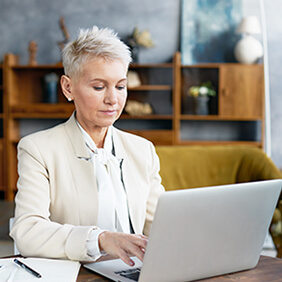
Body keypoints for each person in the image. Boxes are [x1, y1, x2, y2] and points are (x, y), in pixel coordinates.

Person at [10, 26, 164, 266]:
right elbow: (27, 232)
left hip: (136, 271)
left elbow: (162, 226)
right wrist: (100, 239)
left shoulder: (143, 150)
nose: (113, 99)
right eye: (99, 87)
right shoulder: (37, 149)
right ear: (68, 87)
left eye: (120, 86)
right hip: (75, 273)